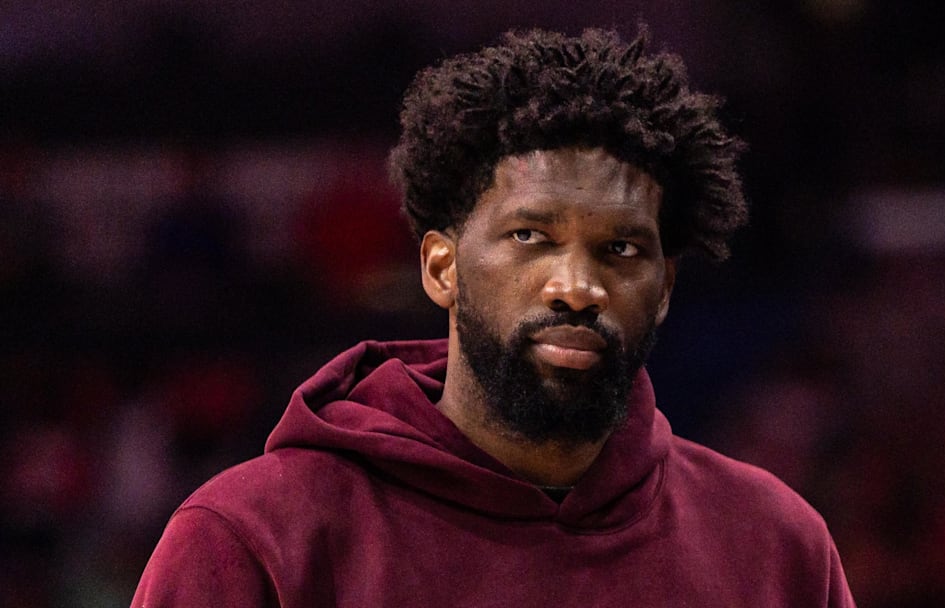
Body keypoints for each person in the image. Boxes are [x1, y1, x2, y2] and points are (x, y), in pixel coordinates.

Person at [132, 27, 856, 607]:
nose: (578, 287)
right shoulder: (253, 539)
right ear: (441, 268)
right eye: (530, 238)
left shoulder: (775, 546)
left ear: (663, 286)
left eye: (621, 248)